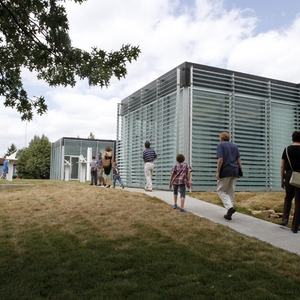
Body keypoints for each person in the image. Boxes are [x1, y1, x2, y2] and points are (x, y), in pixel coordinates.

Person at [216, 132, 242, 220]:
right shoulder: (235, 146)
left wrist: (218, 171)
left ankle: (230, 208)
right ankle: (229, 213)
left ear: (222, 138)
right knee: (231, 191)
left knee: (221, 190)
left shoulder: (221, 145)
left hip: (225, 170)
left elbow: (220, 159)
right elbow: (238, 159)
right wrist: (240, 170)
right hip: (234, 170)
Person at [280, 131, 300, 233]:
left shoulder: (287, 149)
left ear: (292, 138)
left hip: (289, 175)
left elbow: (282, 165)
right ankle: (295, 226)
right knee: (298, 201)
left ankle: (285, 218)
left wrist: (281, 179)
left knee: (288, 197)